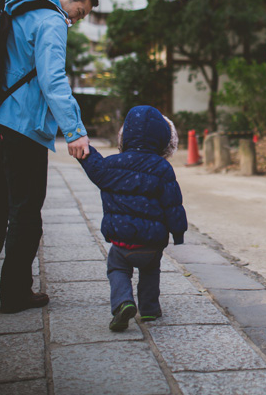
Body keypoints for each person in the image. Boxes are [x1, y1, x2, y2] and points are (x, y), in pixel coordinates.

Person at [0, 0, 99, 314]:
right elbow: (52, 79)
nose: (74, 20)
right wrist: (74, 130)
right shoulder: (51, 18)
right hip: (21, 126)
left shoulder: (7, 5)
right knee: (25, 210)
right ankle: (15, 292)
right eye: (78, 11)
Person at [77, 105, 187, 331]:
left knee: (117, 268)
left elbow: (93, 164)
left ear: (124, 136)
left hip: (122, 242)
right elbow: (173, 203)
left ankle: (123, 303)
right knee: (150, 271)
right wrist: (178, 232)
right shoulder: (162, 169)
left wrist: (83, 146)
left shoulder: (110, 165)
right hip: (151, 244)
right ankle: (149, 309)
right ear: (164, 140)